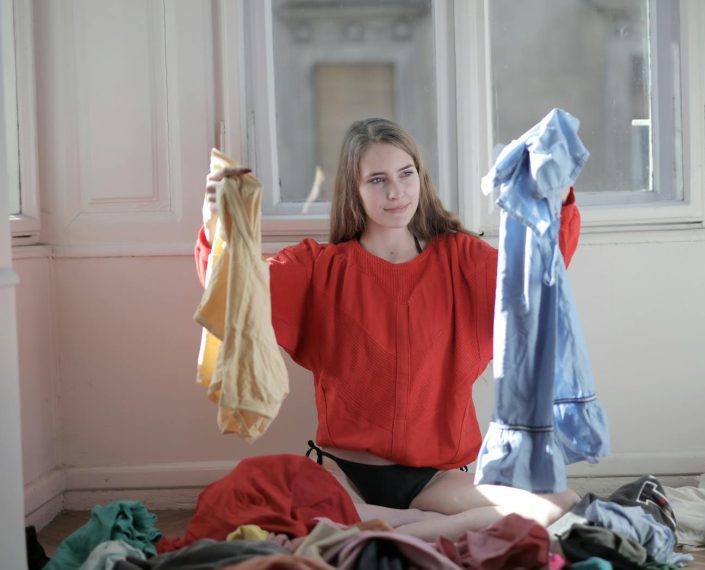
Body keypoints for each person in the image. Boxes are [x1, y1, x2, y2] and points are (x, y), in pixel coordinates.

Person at [195, 117, 583, 541]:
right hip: (343, 471)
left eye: (405, 174)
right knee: (245, 502)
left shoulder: (462, 258)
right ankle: (419, 528)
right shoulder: (318, 267)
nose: (395, 192)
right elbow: (237, 290)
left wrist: (557, 196)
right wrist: (217, 223)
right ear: (354, 190)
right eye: (377, 180)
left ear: (421, 176)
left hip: (434, 481)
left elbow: (536, 276)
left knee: (560, 501)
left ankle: (395, 525)